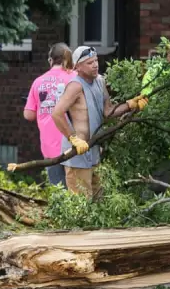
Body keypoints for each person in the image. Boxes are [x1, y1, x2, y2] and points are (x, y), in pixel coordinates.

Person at [51, 46, 148, 199]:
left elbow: (108, 112)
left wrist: (130, 105)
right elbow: (56, 113)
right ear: (78, 66)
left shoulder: (100, 81)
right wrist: (73, 138)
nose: (95, 65)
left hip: (94, 151)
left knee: (99, 200)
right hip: (78, 153)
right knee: (81, 204)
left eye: (96, 60)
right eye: (90, 63)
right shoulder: (75, 86)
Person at [23, 43, 75, 187]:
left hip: (50, 146)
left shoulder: (38, 81)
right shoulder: (75, 77)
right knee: (78, 193)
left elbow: (28, 115)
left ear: (50, 60)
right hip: (75, 143)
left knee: (58, 191)